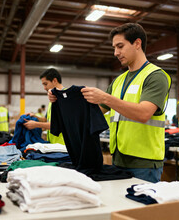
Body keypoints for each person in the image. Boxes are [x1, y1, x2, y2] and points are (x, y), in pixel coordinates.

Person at [51, 23, 171, 183]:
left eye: (120, 46)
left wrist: (104, 97)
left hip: (144, 163)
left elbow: (144, 113)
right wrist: (62, 99)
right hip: (119, 159)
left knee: (139, 207)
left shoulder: (155, 76)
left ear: (137, 43)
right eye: (114, 47)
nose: (116, 53)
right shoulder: (119, 81)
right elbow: (94, 111)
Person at [23, 68, 65, 145]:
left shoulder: (65, 98)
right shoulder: (52, 100)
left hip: (63, 145)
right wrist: (35, 117)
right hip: (53, 143)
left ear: (54, 81)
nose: (44, 88)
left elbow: (60, 125)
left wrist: (36, 124)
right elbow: (46, 119)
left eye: (46, 84)